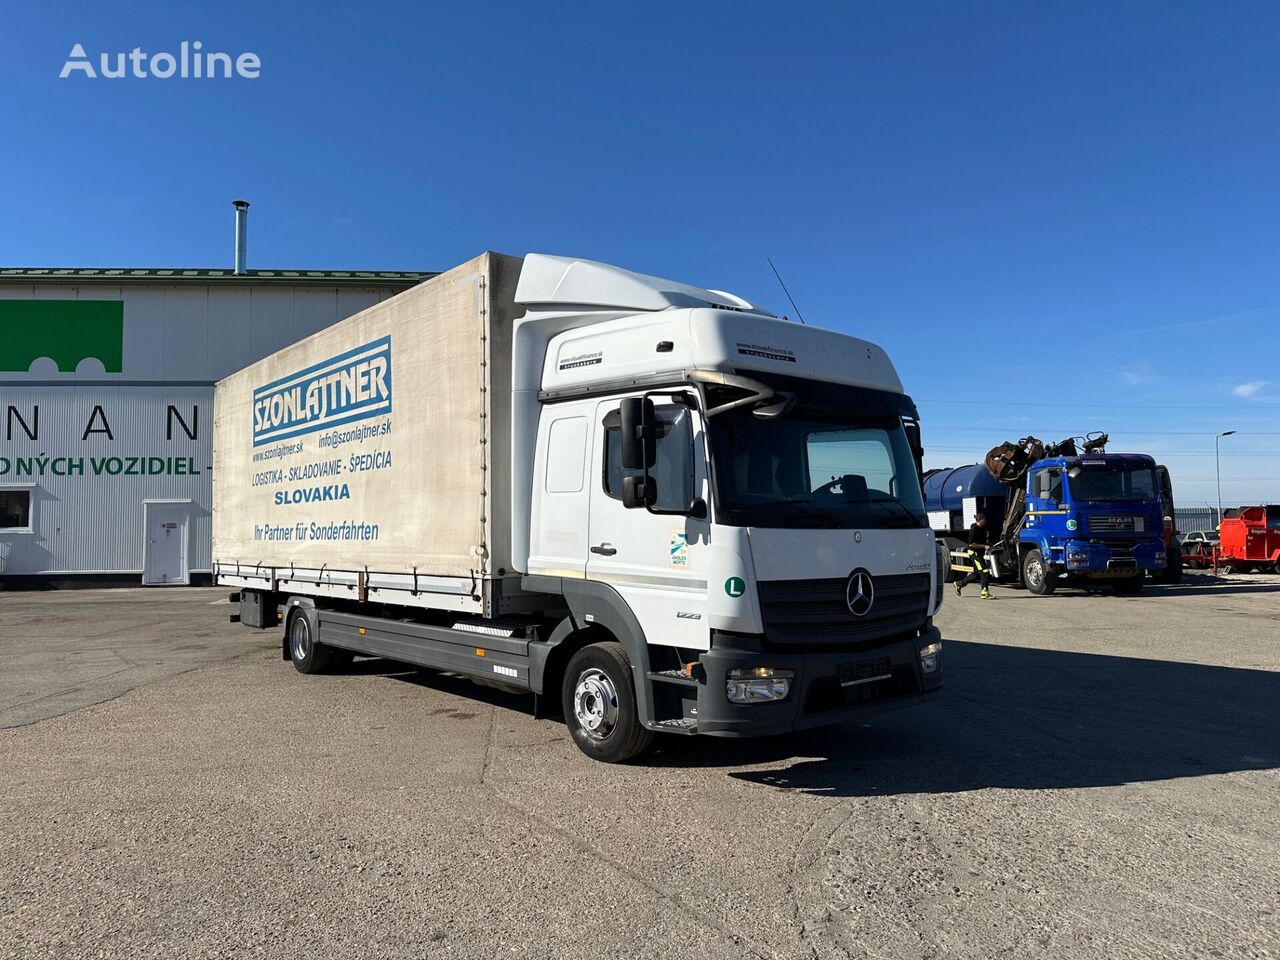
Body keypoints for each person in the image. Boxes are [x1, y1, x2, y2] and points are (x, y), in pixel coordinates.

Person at [955, 513, 993, 599]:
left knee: (976, 574)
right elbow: (972, 544)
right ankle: (984, 592)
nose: (985, 521)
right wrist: (984, 546)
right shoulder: (974, 528)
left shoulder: (983, 528)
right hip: (973, 552)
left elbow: (983, 541)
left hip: (979, 553)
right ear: (979, 520)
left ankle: (959, 584)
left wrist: (989, 545)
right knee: (985, 571)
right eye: (984, 520)